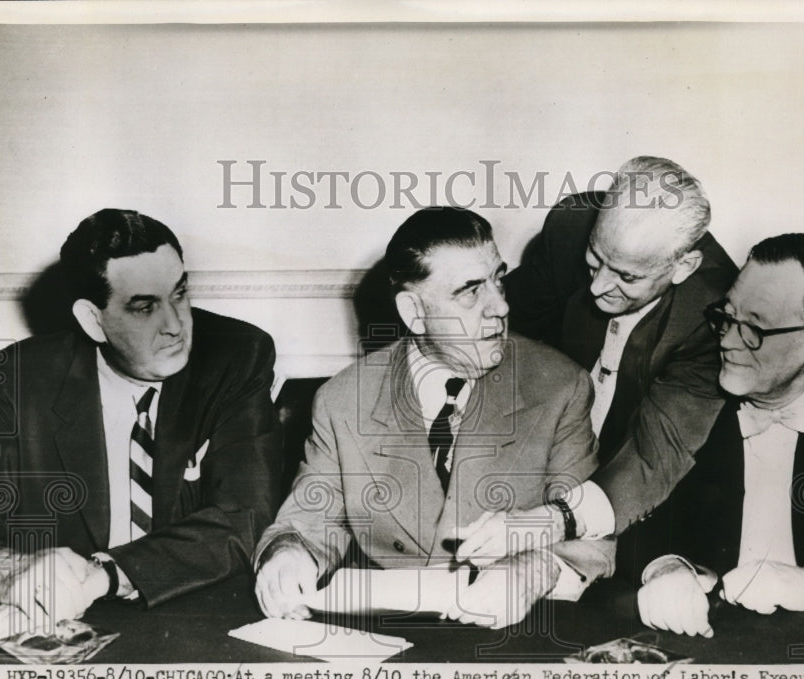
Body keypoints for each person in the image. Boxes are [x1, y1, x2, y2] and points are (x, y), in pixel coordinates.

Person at [253, 207, 615, 629]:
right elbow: (311, 519)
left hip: (512, 631)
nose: (500, 305)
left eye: (499, 278)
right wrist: (288, 554)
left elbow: (595, 537)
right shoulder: (343, 400)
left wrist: (536, 567)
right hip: (387, 634)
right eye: (470, 291)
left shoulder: (558, 387)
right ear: (414, 312)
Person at [0, 208, 282, 636]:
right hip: (62, 630)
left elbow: (245, 515)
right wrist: (5, 566)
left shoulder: (235, 356)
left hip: (194, 620)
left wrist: (106, 574)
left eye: (179, 293)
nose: (174, 325)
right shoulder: (25, 377)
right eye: (144, 307)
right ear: (92, 320)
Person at [456, 156, 736, 570]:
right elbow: (496, 319)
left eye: (626, 277)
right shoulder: (572, 230)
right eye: (595, 258)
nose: (598, 286)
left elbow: (652, 457)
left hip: (642, 498)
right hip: (548, 450)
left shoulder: (713, 315)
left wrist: (551, 522)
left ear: (683, 267)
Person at [636, 233, 804, 637]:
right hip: (710, 631)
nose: (727, 341)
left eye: (755, 328)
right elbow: (636, 514)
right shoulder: (689, 386)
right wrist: (666, 567)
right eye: (726, 316)